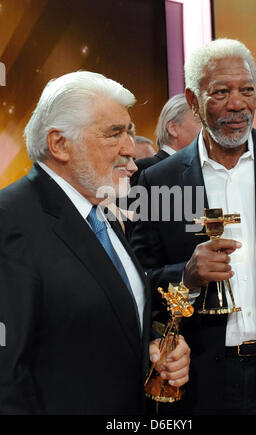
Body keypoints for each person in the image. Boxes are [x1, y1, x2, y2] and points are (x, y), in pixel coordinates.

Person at [0, 71, 190, 415]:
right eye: (114, 133)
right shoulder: (10, 221)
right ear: (59, 144)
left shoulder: (101, 212)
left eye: (129, 131)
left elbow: (98, 316)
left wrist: (156, 345)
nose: (130, 149)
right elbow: (7, 378)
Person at [131, 39, 256, 415]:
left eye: (247, 90)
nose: (238, 104)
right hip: (200, 380)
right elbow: (139, 281)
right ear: (193, 101)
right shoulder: (159, 182)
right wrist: (186, 276)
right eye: (221, 92)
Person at [131, 93, 202, 185]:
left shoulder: (201, 169)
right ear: (173, 128)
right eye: (200, 121)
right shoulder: (140, 170)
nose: (208, 128)